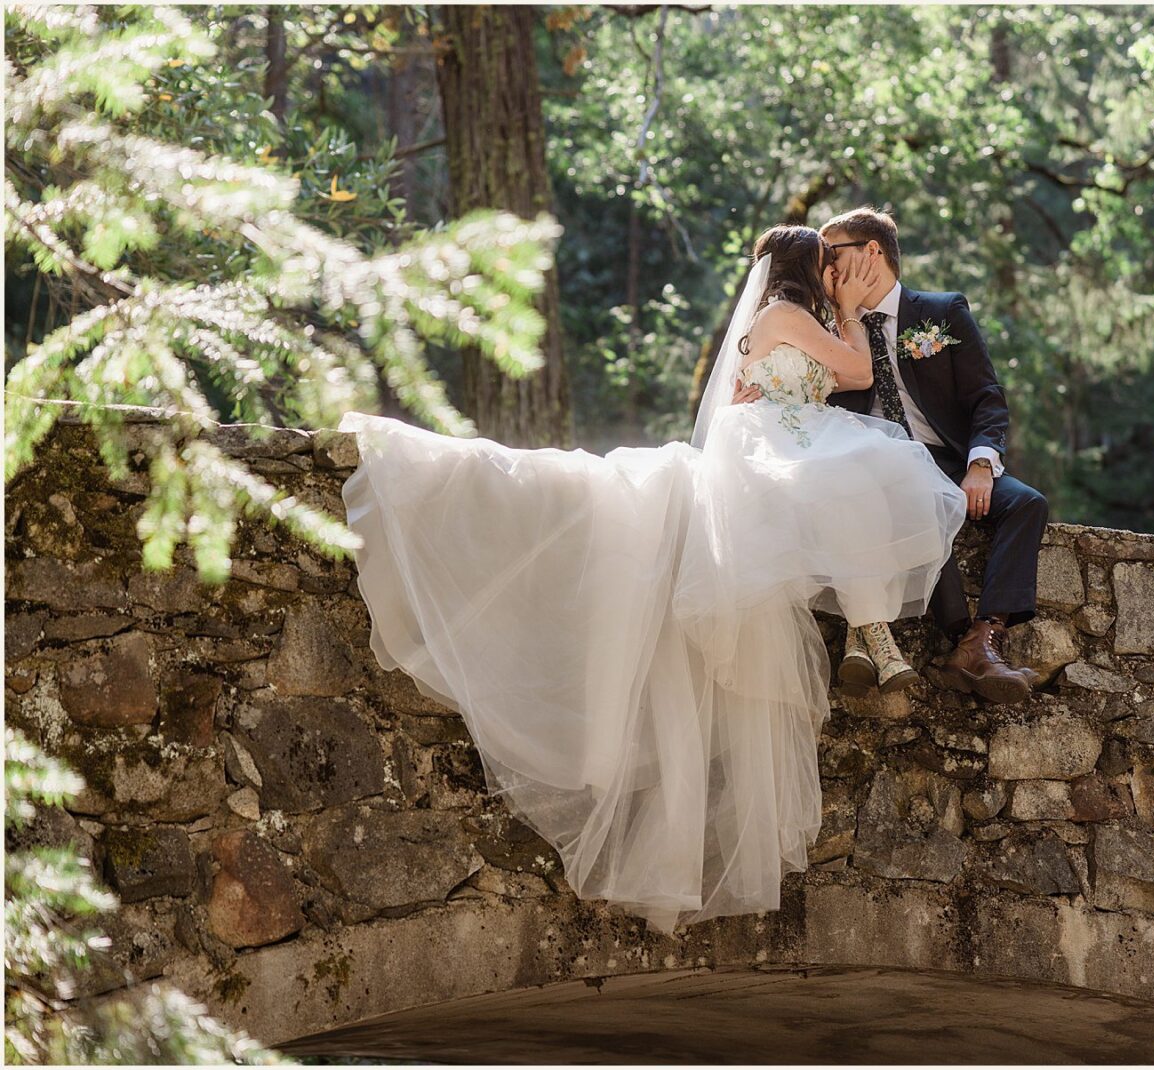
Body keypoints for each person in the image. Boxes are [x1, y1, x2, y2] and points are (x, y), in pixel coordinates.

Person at [336, 224, 965, 935]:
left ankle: (867, 637)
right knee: (857, 479)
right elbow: (853, 371)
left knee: (860, 485)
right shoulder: (784, 314)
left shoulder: (803, 323)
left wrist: (834, 328)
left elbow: (827, 380)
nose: (834, 277)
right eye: (827, 266)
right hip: (773, 441)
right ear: (804, 267)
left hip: (798, 436)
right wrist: (849, 313)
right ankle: (873, 637)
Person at [734, 205, 1048, 703]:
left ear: (871, 252)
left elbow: (987, 397)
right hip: (868, 459)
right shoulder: (827, 325)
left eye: (833, 253)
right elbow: (795, 384)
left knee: (1028, 503)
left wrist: (980, 465)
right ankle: (951, 636)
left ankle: (983, 638)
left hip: (948, 458)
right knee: (904, 493)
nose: (827, 266)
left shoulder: (941, 312)